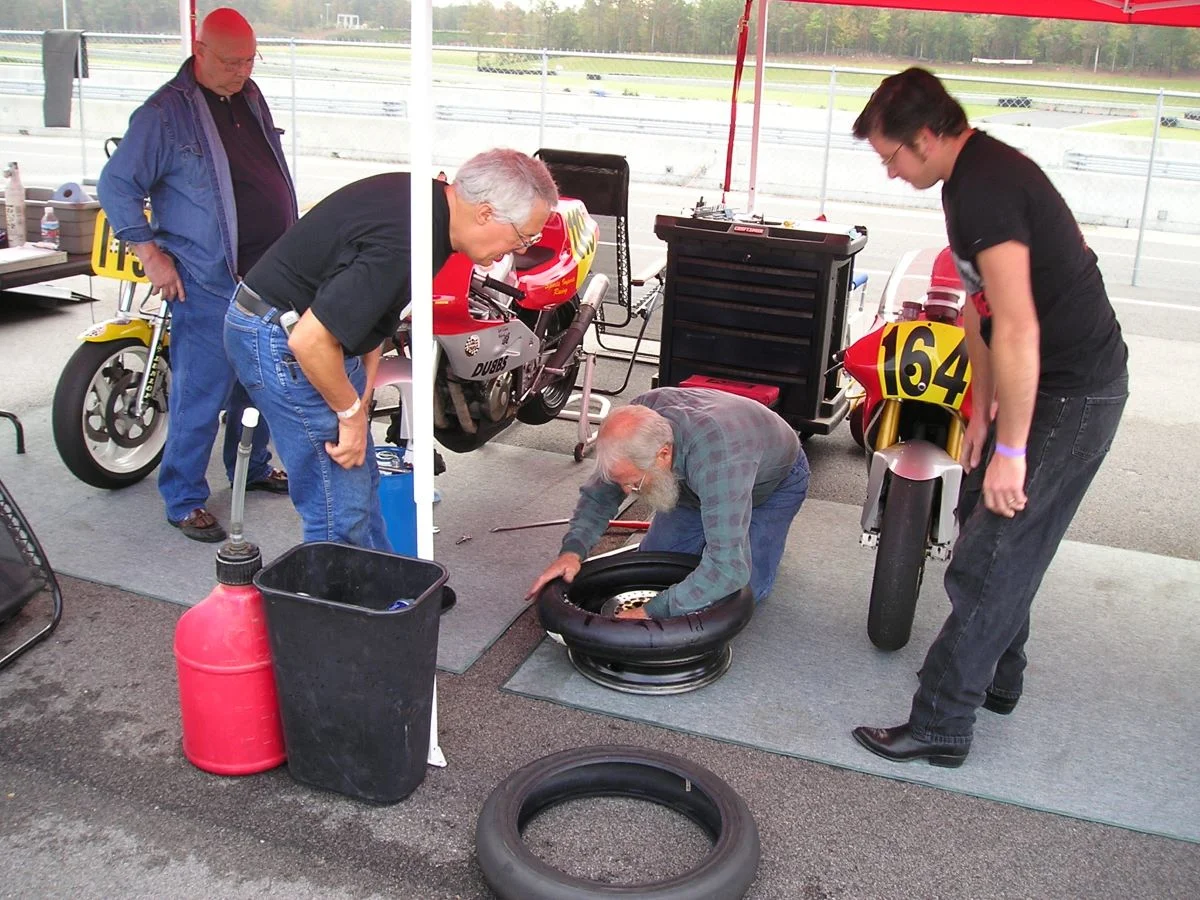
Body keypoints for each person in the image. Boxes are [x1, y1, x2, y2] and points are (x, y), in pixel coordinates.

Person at [849, 68, 1129, 767]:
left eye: (890, 157)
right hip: (1045, 382)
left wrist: (1012, 452)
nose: (888, 173)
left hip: (1073, 390)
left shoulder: (988, 190)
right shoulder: (965, 182)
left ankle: (942, 722)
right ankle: (1000, 677)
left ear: (923, 137)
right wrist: (982, 412)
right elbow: (983, 313)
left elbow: (1022, 328)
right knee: (989, 522)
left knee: (990, 559)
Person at [224, 148, 557, 548]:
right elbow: (309, 340)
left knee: (359, 482)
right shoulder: (407, 238)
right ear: (485, 213)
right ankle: (343, 602)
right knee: (337, 504)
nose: (518, 249)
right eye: (523, 236)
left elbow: (372, 319)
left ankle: (384, 586)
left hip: (310, 334)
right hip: (282, 338)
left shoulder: (429, 208)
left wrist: (360, 399)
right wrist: (349, 415)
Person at [98, 7, 295, 543]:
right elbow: (117, 186)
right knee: (201, 395)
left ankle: (250, 470)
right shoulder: (164, 113)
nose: (242, 71)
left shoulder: (249, 94)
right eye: (232, 62)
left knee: (259, 388)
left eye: (251, 61)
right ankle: (183, 497)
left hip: (265, 276)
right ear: (199, 49)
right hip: (206, 280)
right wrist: (152, 257)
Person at [527, 388, 810, 619]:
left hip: (772, 486)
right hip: (692, 482)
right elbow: (600, 494)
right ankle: (714, 533)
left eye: (634, 484)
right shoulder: (636, 425)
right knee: (653, 565)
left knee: (742, 589)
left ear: (663, 454)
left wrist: (651, 613)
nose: (626, 491)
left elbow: (729, 570)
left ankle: (748, 538)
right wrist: (572, 551)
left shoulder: (720, 461)